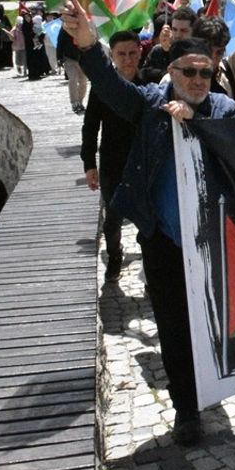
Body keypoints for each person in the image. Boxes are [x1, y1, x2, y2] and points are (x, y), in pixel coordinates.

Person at [61, 0, 235, 447]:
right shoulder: (148, 102)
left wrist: (194, 117)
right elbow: (110, 86)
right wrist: (87, 44)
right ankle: (186, 410)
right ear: (169, 72)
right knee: (174, 325)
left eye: (206, 73)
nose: (199, 79)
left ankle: (213, 383)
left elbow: (234, 151)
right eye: (189, 72)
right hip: (161, 239)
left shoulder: (223, 109)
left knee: (211, 323)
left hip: (210, 240)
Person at [82, 30, 142, 282]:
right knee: (113, 219)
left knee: (147, 218)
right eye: (121, 54)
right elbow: (90, 126)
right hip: (112, 162)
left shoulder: (150, 81)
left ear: (140, 52)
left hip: (143, 161)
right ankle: (115, 256)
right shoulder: (101, 88)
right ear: (112, 56)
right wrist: (89, 164)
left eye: (132, 53)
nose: (127, 59)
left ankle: (150, 266)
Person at [142, 7, 196, 83]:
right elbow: (145, 74)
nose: (178, 35)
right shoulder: (158, 50)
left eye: (183, 31)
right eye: (174, 29)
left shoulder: (199, 56)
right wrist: (166, 52)